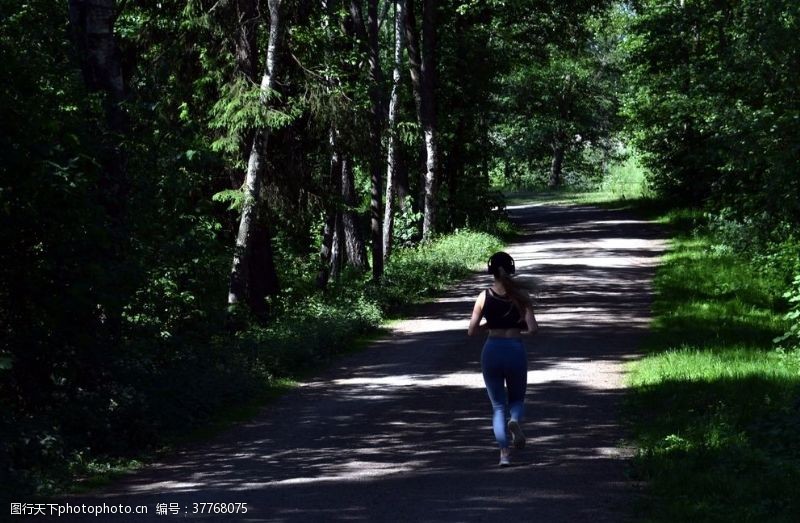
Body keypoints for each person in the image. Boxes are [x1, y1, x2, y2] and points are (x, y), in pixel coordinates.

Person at [467, 251, 538, 466]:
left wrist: (490, 324)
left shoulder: (483, 296)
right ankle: (514, 420)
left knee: (498, 406)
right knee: (516, 399)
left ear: (491, 270)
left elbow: (471, 331)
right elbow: (533, 329)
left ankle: (504, 455)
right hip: (515, 349)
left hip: (492, 350)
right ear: (511, 269)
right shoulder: (521, 296)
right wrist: (518, 329)